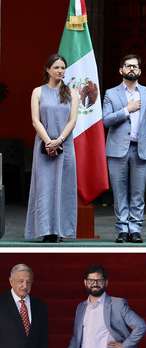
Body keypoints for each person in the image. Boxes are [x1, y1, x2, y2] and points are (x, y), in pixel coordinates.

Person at [103, 54, 146, 244]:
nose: (132, 69)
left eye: (135, 66)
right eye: (128, 66)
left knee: (138, 192)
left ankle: (135, 229)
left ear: (139, 71)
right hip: (117, 149)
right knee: (119, 192)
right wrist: (126, 110)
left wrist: (143, 133)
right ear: (121, 70)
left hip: (141, 148)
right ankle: (122, 229)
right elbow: (105, 120)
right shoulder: (111, 94)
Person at [25, 53, 79, 243]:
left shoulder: (72, 93)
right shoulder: (37, 92)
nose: (60, 71)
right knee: (45, 188)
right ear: (48, 69)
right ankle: (46, 230)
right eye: (56, 67)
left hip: (65, 146)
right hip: (44, 146)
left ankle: (61, 229)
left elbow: (73, 120)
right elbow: (35, 120)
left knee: (64, 188)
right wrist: (48, 141)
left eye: (63, 67)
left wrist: (59, 140)